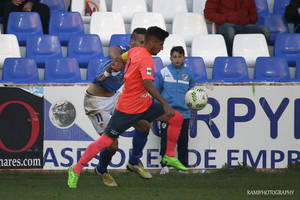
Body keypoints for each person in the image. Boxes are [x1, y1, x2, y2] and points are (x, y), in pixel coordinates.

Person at [67, 26, 187, 189]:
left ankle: (140, 160)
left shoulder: (133, 53)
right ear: (145, 43)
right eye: (160, 44)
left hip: (130, 100)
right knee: (109, 143)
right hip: (103, 103)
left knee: (156, 123)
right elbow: (142, 79)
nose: (162, 48)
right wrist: (111, 67)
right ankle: (88, 169)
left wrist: (118, 61)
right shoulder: (138, 57)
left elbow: (122, 55)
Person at [84, 28, 153, 187]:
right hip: (96, 103)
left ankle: (134, 162)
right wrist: (117, 59)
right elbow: (113, 48)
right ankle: (101, 170)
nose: (143, 46)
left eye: (145, 43)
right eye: (140, 42)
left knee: (143, 125)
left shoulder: (142, 59)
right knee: (112, 144)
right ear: (131, 42)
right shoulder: (123, 53)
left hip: (115, 98)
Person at [155, 46, 195, 174]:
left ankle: (183, 166)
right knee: (166, 139)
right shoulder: (163, 72)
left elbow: (192, 94)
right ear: (170, 58)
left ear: (184, 58)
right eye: (174, 57)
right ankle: (165, 166)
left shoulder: (189, 74)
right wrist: (158, 109)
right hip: (167, 113)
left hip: (184, 114)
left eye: (180, 56)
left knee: (183, 140)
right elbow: (156, 92)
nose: (177, 59)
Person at [204, 0, 271, 56]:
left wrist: (244, 19)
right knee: (229, 32)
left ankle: (256, 58)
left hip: (244, 26)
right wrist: (228, 18)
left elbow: (254, 17)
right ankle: (230, 59)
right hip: (225, 25)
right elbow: (208, 13)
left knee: (265, 31)